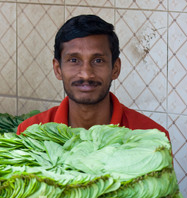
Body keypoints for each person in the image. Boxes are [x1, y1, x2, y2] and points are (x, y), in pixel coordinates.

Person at [17, 14, 170, 140]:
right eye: (74, 60)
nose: (86, 74)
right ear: (58, 69)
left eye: (98, 60)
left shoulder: (152, 137)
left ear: (115, 68)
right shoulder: (30, 133)